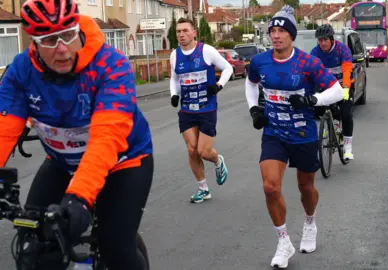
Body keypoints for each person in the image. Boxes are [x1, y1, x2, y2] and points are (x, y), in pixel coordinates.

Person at [0, 0, 153, 268]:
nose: (62, 50)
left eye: (68, 35)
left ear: (78, 29)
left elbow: (106, 139)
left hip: (123, 161)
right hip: (63, 163)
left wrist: (79, 198)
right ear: (33, 43)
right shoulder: (21, 71)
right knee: (34, 246)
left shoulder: (110, 65)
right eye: (48, 40)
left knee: (115, 244)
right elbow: (3, 131)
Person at [245, 5, 343, 268]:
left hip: (303, 133)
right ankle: (283, 241)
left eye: (281, 31)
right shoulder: (259, 61)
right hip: (274, 133)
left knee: (305, 188)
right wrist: (255, 109)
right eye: (272, 31)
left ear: (291, 35)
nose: (276, 36)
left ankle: (310, 222)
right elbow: (251, 83)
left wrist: (313, 99)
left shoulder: (308, 63)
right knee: (270, 186)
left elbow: (337, 91)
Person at [169, 18, 233, 203]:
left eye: (185, 31)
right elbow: (174, 79)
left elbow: (228, 68)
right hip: (187, 109)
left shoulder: (206, 51)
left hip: (207, 107)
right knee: (191, 150)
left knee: (203, 151)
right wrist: (174, 94)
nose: (181, 34)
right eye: (178, 31)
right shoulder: (175, 55)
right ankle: (203, 188)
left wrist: (219, 85)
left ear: (194, 32)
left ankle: (217, 160)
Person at [310, 23, 355, 160]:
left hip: (344, 84)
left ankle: (347, 147)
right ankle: (331, 124)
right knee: (316, 108)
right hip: (326, 86)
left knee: (346, 114)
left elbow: (347, 70)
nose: (322, 43)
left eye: (325, 40)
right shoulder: (315, 52)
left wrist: (346, 89)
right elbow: (312, 73)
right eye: (320, 40)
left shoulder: (343, 50)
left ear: (332, 39)